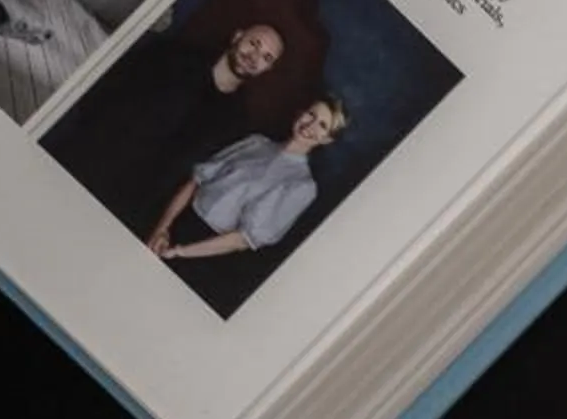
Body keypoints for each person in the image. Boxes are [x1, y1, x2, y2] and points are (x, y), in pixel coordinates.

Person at [43, 22, 286, 229]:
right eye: (254, 43)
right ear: (237, 36)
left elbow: (191, 176)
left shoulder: (237, 121)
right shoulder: (174, 54)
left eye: (266, 57)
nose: (255, 57)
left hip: (122, 203)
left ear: (269, 69)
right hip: (82, 157)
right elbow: (109, 88)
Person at [146, 99, 348, 301]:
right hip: (175, 221)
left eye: (323, 125)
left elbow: (242, 240)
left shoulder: (302, 186)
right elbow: (196, 181)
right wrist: (163, 228)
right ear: (301, 112)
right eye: (311, 114)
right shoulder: (256, 142)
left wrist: (180, 253)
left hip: (205, 254)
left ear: (327, 139)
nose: (311, 125)